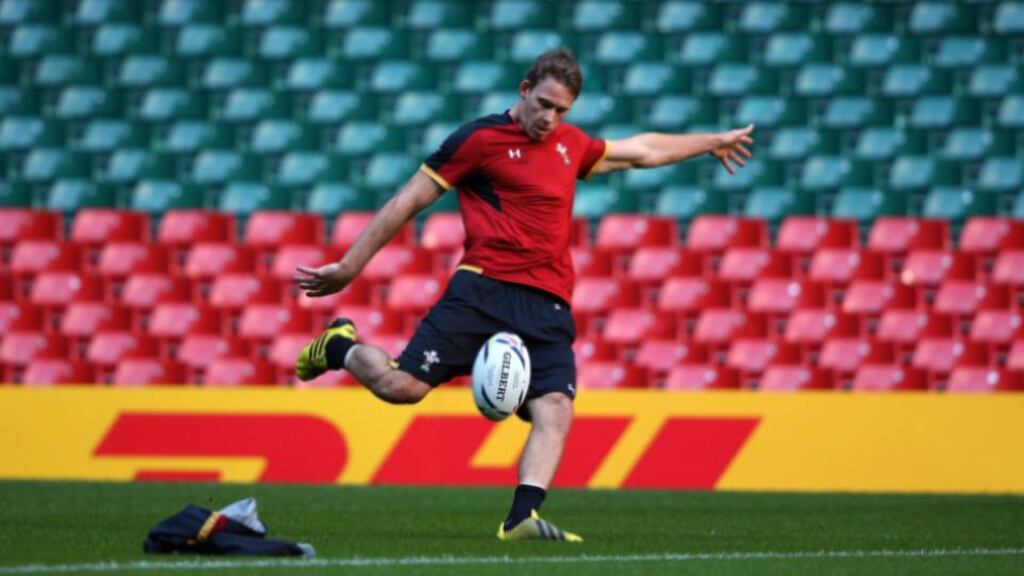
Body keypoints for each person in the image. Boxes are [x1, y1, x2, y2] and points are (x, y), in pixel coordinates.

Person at [293, 48, 754, 542]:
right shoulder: (479, 139)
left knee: (556, 406)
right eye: (544, 104)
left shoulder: (569, 145)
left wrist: (710, 142)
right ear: (524, 89)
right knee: (400, 388)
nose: (550, 118)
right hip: (483, 288)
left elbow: (641, 152)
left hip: (548, 301)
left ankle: (521, 518)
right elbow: (409, 201)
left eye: (562, 111)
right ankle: (339, 344)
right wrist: (349, 267)